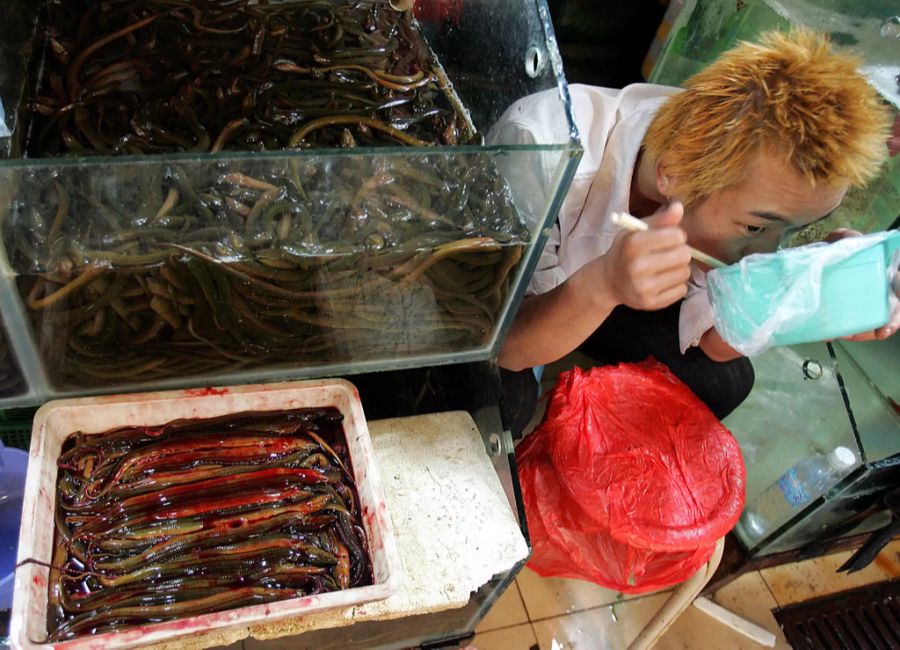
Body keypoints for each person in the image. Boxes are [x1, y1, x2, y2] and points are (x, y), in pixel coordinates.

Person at [494, 28, 895, 431]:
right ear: (673, 173)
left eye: (795, 232)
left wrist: (816, 283)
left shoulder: (726, 182)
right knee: (507, 402)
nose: (766, 254)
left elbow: (714, 344)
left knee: (725, 383)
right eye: (757, 226)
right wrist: (605, 285)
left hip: (619, 277)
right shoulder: (542, 154)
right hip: (536, 296)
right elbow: (506, 346)